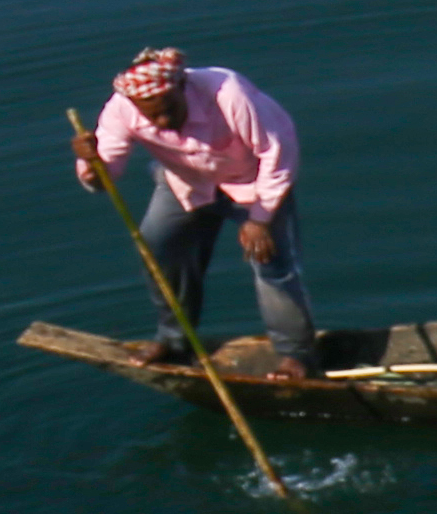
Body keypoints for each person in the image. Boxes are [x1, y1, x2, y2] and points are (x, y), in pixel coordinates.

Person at [71, 45, 320, 379]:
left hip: (253, 185)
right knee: (157, 246)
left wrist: (259, 219)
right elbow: (105, 179)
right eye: (152, 117)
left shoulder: (228, 94)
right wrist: (91, 161)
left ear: (181, 88)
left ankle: (297, 355)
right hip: (186, 183)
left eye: (169, 111)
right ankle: (174, 339)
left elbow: (279, 152)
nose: (163, 122)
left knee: (272, 263)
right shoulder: (121, 109)